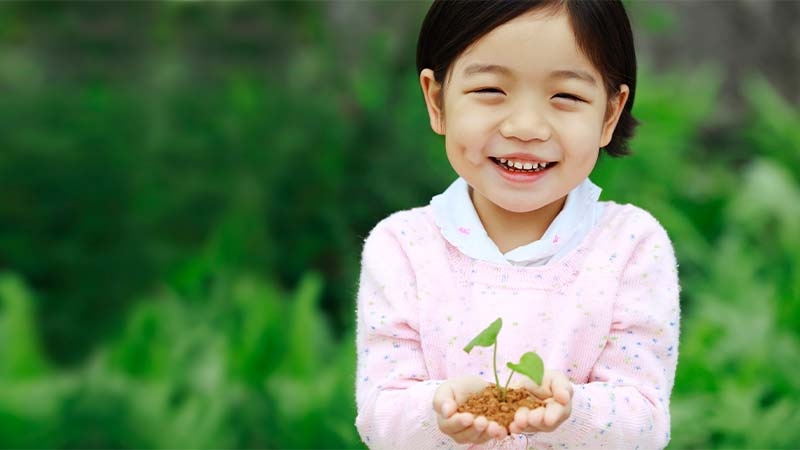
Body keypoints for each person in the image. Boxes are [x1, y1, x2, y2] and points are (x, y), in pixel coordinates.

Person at [354, 0, 681, 449]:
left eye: (565, 96)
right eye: (490, 90)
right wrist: (441, 410)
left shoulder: (630, 246)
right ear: (436, 100)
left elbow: (645, 424)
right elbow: (380, 417)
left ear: (609, 114)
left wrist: (571, 413)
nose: (526, 127)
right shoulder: (403, 247)